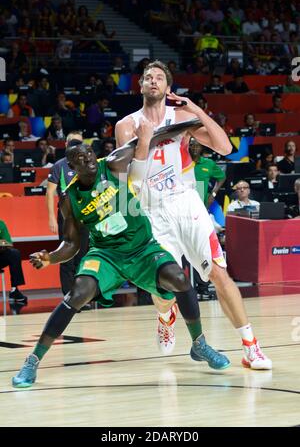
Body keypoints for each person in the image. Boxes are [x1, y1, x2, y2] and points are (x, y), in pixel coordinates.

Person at [12, 136, 231, 388]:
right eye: (81, 157)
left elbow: (151, 139)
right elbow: (71, 244)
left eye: (90, 153)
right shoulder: (69, 198)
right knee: (76, 294)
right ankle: (32, 360)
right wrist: (50, 257)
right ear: (72, 166)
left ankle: (199, 344)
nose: (89, 158)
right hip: (106, 254)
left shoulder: (113, 164)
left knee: (179, 279)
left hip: (142, 248)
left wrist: (185, 126)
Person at [116, 60, 271, 369]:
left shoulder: (182, 118)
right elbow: (131, 180)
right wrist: (145, 138)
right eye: (148, 77)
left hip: (186, 204)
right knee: (165, 285)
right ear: (141, 86)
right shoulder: (127, 125)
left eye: (159, 77)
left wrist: (197, 110)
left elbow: (226, 148)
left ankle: (251, 346)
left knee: (218, 273)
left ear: (167, 87)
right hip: (151, 210)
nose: (153, 81)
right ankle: (165, 315)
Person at [46, 132, 89, 297]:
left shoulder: (87, 164)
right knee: (67, 257)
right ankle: (69, 296)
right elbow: (50, 193)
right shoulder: (59, 166)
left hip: (85, 217)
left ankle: (82, 296)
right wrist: (51, 218)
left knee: (83, 256)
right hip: (67, 217)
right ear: (66, 144)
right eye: (73, 142)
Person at [189, 138, 225, 208]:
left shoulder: (209, 163)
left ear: (201, 148)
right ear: (188, 147)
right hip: (186, 201)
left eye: (198, 145)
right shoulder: (183, 163)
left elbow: (222, 178)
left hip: (202, 201)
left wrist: (213, 194)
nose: (195, 147)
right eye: (192, 145)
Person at [0, 219, 27, 304]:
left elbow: (8, 244)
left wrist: (2, 244)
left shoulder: (1, 224)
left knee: (14, 253)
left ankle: (14, 290)